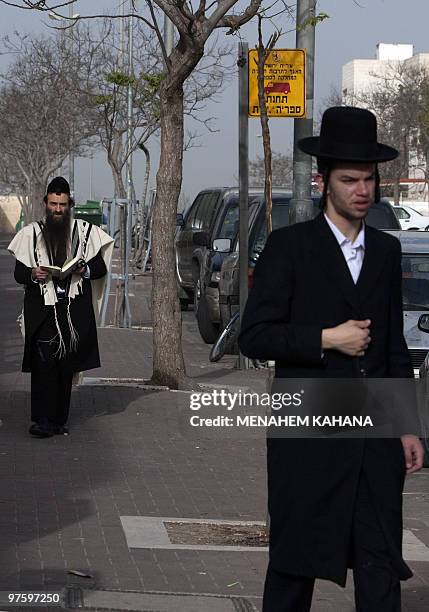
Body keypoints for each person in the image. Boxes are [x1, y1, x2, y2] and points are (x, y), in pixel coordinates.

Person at [238, 107, 424, 611]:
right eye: (349, 180)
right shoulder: (289, 247)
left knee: (380, 566)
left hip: (374, 441)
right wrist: (326, 338)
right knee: (294, 568)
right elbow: (254, 336)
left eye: (368, 179)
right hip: (309, 434)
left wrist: (407, 427)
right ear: (325, 181)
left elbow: (393, 350)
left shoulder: (386, 251)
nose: (361, 190)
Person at [8, 177, 114, 438]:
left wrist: (84, 268)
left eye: (62, 205)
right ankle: (42, 420)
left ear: (70, 205)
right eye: (53, 204)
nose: (58, 209)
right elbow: (19, 272)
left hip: (72, 310)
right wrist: (34, 274)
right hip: (43, 310)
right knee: (44, 363)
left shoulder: (84, 232)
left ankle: (58, 419)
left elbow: (100, 267)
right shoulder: (31, 234)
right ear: (45, 203)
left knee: (66, 365)